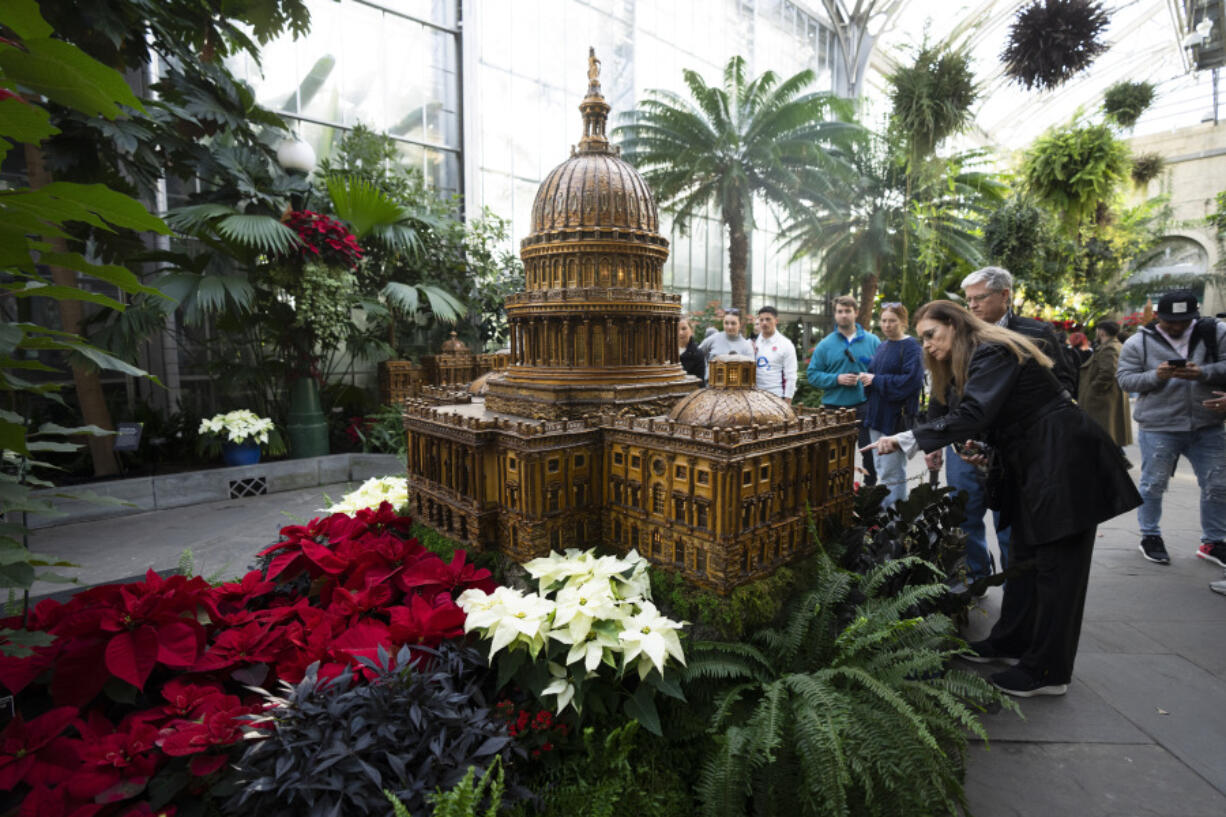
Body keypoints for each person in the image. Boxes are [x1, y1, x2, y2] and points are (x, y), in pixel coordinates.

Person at [864, 300, 1140, 697]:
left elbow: (976, 411)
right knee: (1026, 561)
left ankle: (1048, 670)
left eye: (931, 335)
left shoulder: (990, 349)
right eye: (922, 337)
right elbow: (1002, 413)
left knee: (1058, 569)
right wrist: (984, 444)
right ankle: (1012, 642)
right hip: (1037, 461)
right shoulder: (979, 356)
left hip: (1064, 461)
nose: (926, 345)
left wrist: (907, 438)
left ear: (955, 326)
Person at [1116, 290, 1226, 567]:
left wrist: (1204, 373)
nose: (1176, 327)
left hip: (1208, 423)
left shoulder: (1216, 333)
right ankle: (1150, 535)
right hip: (1159, 425)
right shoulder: (1138, 342)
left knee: (1218, 484)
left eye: (1184, 321)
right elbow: (1125, 380)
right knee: (1153, 484)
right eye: (1169, 322)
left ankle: (1213, 541)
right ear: (1157, 317)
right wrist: (1157, 375)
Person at [806, 295, 881, 485]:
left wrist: (872, 379)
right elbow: (812, 374)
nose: (844, 315)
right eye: (840, 311)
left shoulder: (873, 341)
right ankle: (835, 492)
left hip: (864, 406)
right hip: (833, 408)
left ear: (856, 313)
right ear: (835, 315)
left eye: (848, 311)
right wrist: (836, 379)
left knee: (868, 452)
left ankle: (869, 493)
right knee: (833, 454)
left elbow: (883, 372)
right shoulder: (825, 344)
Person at [860, 302, 923, 509]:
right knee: (881, 466)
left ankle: (895, 519)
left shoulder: (911, 347)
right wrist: (866, 379)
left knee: (893, 469)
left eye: (892, 321)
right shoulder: (882, 345)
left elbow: (911, 383)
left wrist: (876, 380)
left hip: (895, 418)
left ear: (903, 322)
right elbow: (874, 374)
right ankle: (888, 513)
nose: (887, 325)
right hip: (876, 415)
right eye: (884, 320)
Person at [1078, 321, 1132, 449]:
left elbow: (1108, 373)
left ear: (1101, 331)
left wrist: (1094, 389)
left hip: (1102, 401)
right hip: (1106, 398)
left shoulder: (1110, 347)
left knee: (1104, 439)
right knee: (1108, 440)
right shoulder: (1114, 345)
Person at [753, 306, 797, 403]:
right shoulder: (753, 344)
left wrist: (787, 401)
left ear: (776, 321)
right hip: (754, 398)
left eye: (768, 319)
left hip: (776, 398)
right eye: (761, 320)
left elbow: (791, 376)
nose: (764, 323)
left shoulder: (786, 344)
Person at [698, 309, 754, 378]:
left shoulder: (747, 346)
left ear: (740, 324)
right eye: (726, 323)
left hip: (736, 387)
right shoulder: (713, 339)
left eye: (733, 323)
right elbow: (697, 354)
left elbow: (750, 371)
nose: (729, 327)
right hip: (710, 386)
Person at [678, 318, 705, 384]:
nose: (680, 333)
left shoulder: (698, 354)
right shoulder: (665, 352)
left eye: (684, 329)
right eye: (677, 329)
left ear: (691, 331)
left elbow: (700, 381)